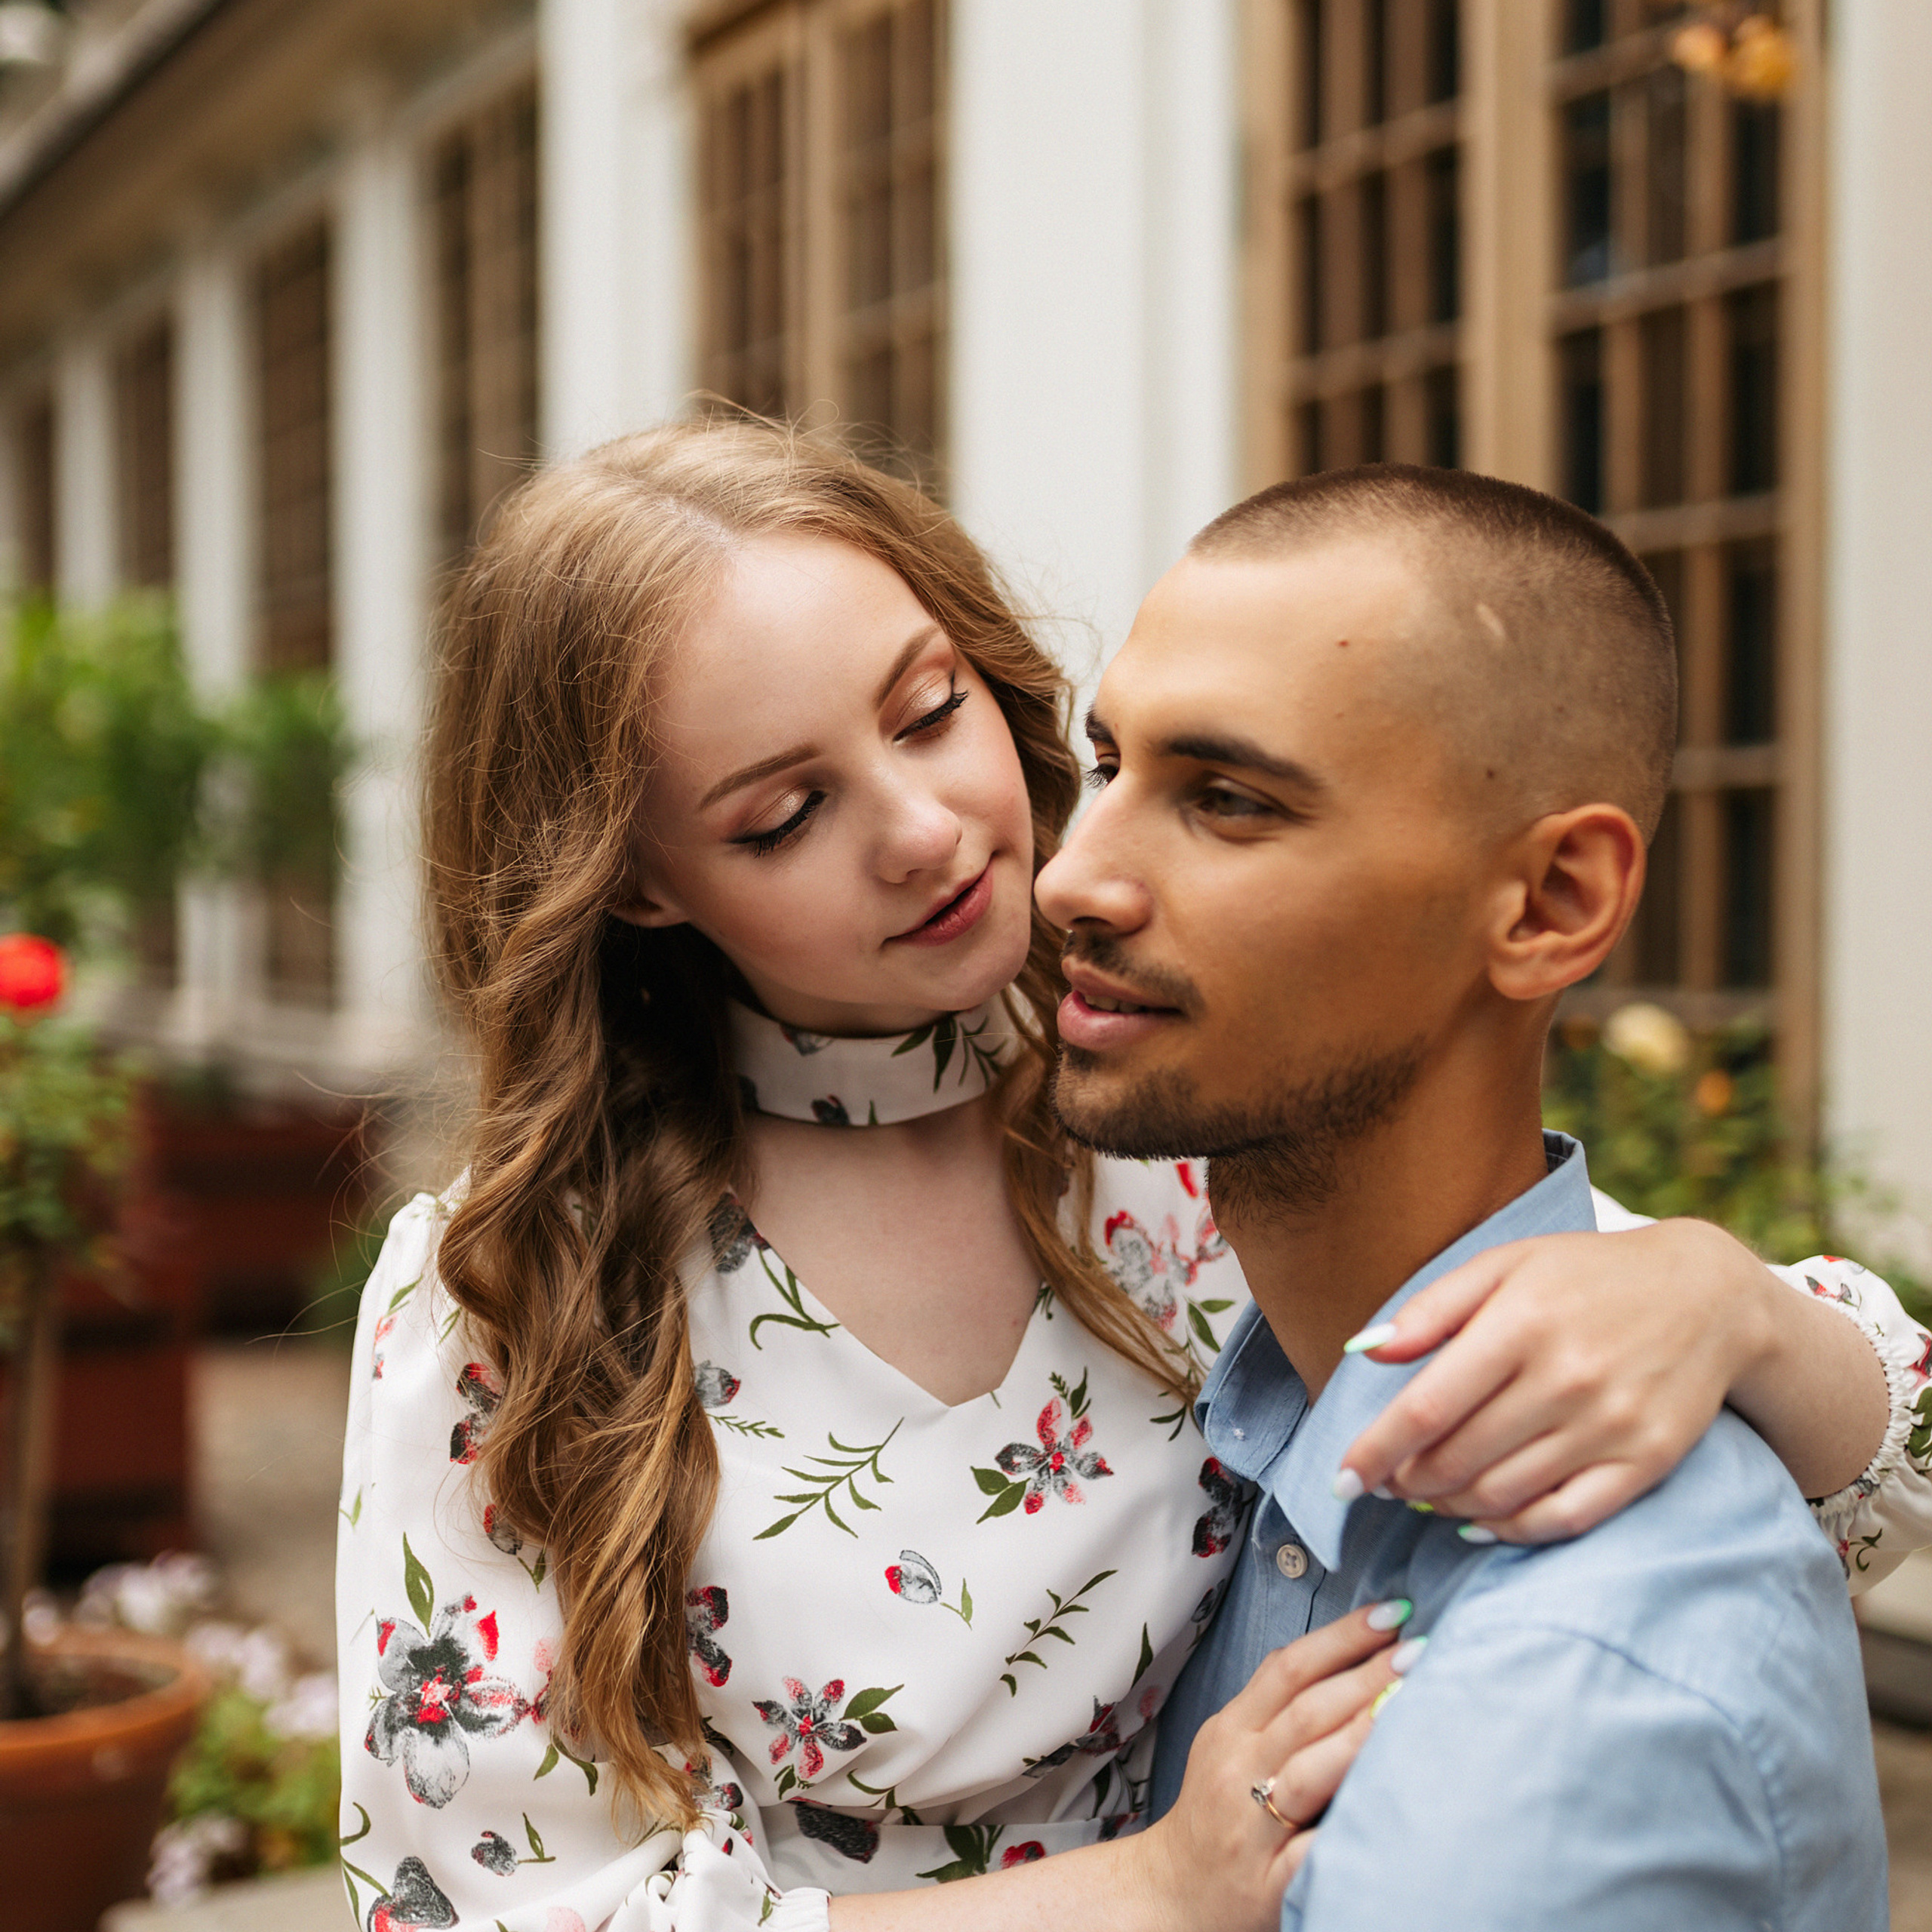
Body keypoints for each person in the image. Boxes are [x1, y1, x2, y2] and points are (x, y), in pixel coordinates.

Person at [335, 426, 1929, 1932]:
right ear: (639, 879)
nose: (924, 829)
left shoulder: (1163, 1118)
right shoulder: (512, 1281)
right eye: (785, 812)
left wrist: (1715, 1298)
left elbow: (1848, 1470)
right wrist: (1143, 1892)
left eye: (925, 710)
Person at [1035, 463, 1912, 1929]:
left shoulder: (1578, 1677)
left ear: (1551, 903)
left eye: (1229, 800)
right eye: (1106, 762)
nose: (1073, 875)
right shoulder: (1236, 1394)